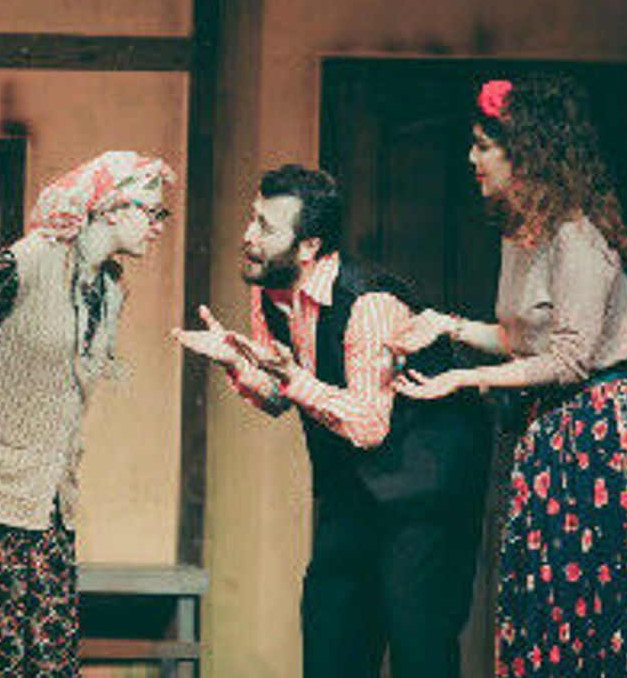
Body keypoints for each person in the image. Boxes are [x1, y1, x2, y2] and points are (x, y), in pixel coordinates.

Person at [389, 76, 627, 676]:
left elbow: (570, 359)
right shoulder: (521, 235)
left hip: (597, 437)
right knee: (541, 599)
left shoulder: (577, 235)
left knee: (588, 607)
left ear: (526, 153)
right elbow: (523, 339)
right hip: (550, 432)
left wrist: (469, 380)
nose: (472, 159)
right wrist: (447, 326)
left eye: (483, 146)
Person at [173, 164, 490, 677]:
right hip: (352, 487)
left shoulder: (368, 303)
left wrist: (294, 379)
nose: (249, 236)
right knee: (332, 635)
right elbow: (281, 393)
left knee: (419, 647)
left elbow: (369, 424)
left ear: (308, 246)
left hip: (425, 487)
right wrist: (237, 363)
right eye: (253, 218)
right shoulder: (270, 290)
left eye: (266, 227)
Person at [0, 151, 175, 677]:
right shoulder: (29, 261)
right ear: (110, 208)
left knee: (43, 662)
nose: (159, 225)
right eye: (152, 211)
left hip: (46, 501)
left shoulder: (110, 290)